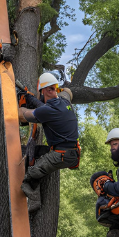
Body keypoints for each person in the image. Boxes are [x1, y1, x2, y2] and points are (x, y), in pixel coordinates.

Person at [18, 73, 79, 212]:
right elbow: (67, 92)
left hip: (61, 155)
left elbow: (22, 115)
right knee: (38, 152)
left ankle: (34, 200)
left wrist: (21, 104)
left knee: (31, 176)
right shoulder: (64, 101)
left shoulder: (47, 110)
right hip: (72, 152)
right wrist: (31, 98)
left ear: (44, 91)